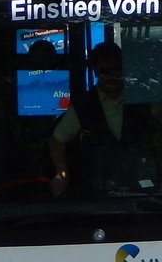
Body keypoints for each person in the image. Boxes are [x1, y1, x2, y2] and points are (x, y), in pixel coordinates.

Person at [49, 42, 128, 197]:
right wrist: (62, 174)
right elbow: (56, 140)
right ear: (95, 72)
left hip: (139, 186)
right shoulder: (83, 105)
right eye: (105, 71)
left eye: (117, 69)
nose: (112, 76)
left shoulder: (140, 100)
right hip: (97, 190)